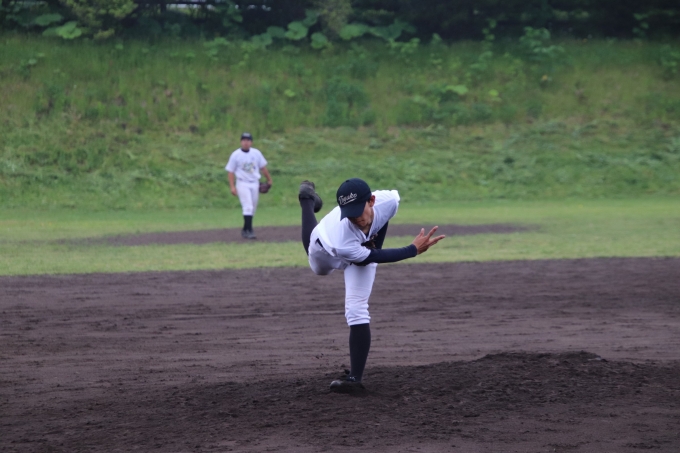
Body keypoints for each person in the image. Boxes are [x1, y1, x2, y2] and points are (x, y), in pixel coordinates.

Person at [298, 178, 445, 392]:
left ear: (372, 201)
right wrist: (412, 249)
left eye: (358, 211)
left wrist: (375, 241)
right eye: (349, 214)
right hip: (325, 250)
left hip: (360, 251)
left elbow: (381, 222)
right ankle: (307, 200)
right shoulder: (341, 239)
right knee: (318, 268)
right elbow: (371, 257)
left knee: (356, 308)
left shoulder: (389, 201)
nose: (356, 218)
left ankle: (354, 380)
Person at [225, 132, 273, 239]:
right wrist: (232, 187)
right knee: (248, 207)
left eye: (248, 140)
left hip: (255, 183)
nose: (245, 142)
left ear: (251, 142)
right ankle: (249, 230)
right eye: (244, 140)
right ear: (241, 142)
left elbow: (263, 167)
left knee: (253, 208)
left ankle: (245, 229)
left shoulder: (256, 153)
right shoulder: (236, 155)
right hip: (242, 183)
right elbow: (230, 172)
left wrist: (269, 179)